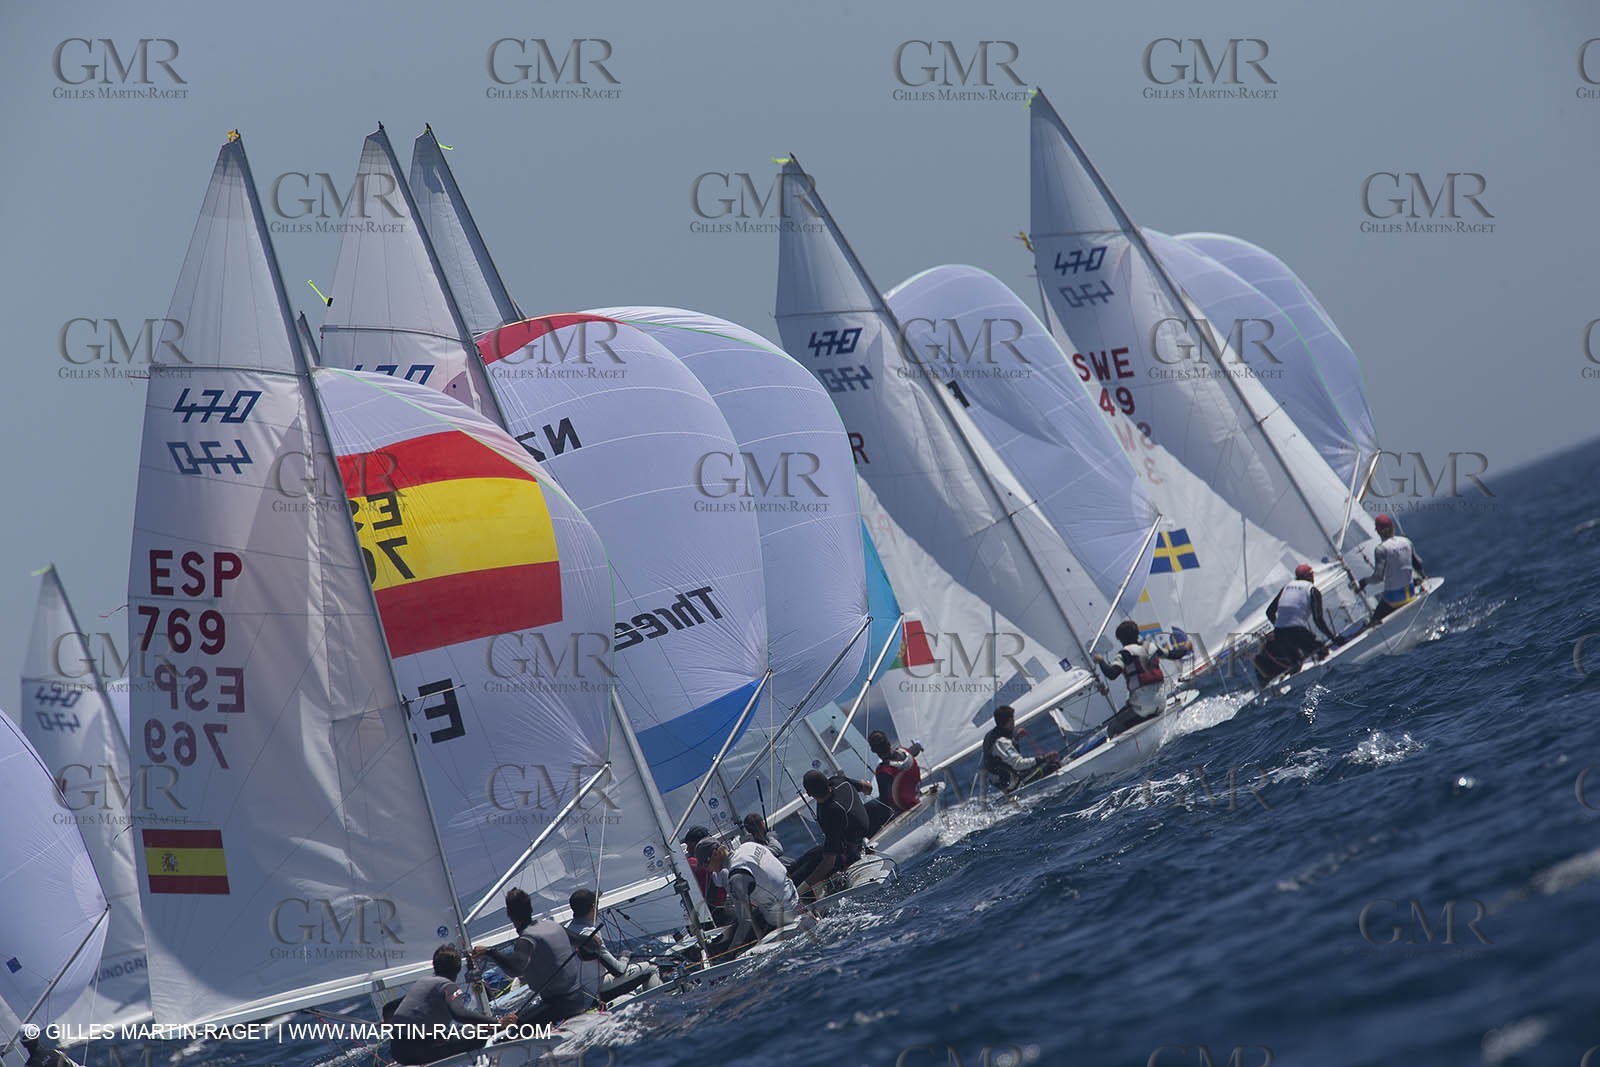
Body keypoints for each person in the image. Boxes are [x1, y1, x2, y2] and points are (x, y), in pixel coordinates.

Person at [472, 887, 589, 1027]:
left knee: (510, 1027)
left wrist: (490, 951)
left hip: (557, 1006)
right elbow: (589, 943)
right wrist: (595, 942)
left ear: (509, 914)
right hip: (579, 997)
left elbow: (515, 970)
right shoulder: (553, 925)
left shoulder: (527, 939)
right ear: (531, 908)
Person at [388, 945, 514, 1065]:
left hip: (397, 1051)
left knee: (449, 1035)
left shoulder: (422, 982)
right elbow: (459, 1014)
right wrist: (496, 1023)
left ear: (435, 965)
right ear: (458, 968)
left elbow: (389, 1007)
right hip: (420, 1050)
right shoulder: (448, 986)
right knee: (481, 1036)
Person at [699, 838, 806, 958]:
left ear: (715, 853)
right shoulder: (748, 846)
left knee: (730, 939)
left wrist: (730, 952)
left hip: (784, 917)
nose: (708, 869)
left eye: (706, 864)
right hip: (794, 897)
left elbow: (745, 922)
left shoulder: (736, 876)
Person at [1092, 621, 1193, 739]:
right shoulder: (1152, 648)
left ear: (1121, 640)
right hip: (1161, 703)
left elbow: (1112, 674)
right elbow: (1175, 655)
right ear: (1137, 634)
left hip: (1142, 708)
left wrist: (1100, 660)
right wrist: (1186, 647)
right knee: (1126, 711)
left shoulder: (1124, 654)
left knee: (1113, 727)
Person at [564, 887, 662, 1002]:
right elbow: (618, 970)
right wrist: (625, 956)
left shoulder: (567, 928)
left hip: (579, 991)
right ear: (593, 908)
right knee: (652, 967)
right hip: (597, 989)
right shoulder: (590, 935)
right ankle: (657, 1005)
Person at [787, 769, 871, 899]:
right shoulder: (839, 781)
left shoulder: (829, 812)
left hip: (849, 853)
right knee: (808, 857)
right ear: (826, 780)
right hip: (855, 836)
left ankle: (789, 895)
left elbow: (829, 863)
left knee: (802, 873)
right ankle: (787, 879)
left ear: (808, 793)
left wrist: (800, 889)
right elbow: (868, 788)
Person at [1254, 564, 1343, 683]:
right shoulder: (1312, 590)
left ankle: (1293, 684)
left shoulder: (1286, 588)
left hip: (1279, 633)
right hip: (1295, 631)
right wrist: (1334, 638)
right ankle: (1329, 682)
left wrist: (1280, 627)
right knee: (1321, 650)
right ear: (1309, 576)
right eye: (1312, 575)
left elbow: (1270, 612)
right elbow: (1318, 619)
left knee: (1296, 663)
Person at [1358, 514, 1427, 625]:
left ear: (1378, 532)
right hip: (1410, 593)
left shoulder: (1381, 549)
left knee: (1372, 622)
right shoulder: (1406, 541)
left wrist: (1364, 581)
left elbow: (1378, 578)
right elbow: (1418, 563)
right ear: (1392, 527)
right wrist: (1423, 578)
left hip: (1393, 600)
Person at [981, 705, 1061, 794]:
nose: (1014, 722)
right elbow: (1018, 764)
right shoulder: (1002, 742)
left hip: (1003, 781)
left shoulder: (991, 735)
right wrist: (1044, 758)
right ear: (1010, 721)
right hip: (1014, 784)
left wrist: (1016, 738)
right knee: (1053, 765)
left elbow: (1002, 753)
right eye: (1013, 719)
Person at [684, 825, 731, 925]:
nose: (687, 849)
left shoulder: (691, 863)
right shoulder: (693, 863)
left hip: (714, 913)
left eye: (689, 845)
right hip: (716, 913)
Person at [868, 730, 924, 813]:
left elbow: (884, 802)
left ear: (874, 750)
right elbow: (915, 749)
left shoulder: (883, 772)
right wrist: (918, 745)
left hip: (901, 809)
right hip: (916, 797)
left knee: (868, 808)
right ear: (888, 743)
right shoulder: (905, 752)